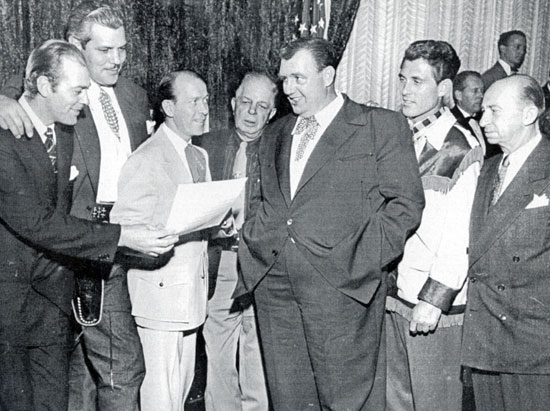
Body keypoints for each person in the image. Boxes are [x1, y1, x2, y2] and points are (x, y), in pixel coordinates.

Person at [235, 37, 425, 411]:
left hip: (341, 290)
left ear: (328, 75)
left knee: (345, 400)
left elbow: (406, 205)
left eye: (298, 78)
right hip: (274, 290)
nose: (288, 89)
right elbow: (261, 200)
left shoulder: (378, 125)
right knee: (289, 401)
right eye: (284, 79)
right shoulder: (274, 133)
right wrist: (256, 243)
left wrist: (360, 260)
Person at [0, 39, 176, 411]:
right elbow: (37, 221)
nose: (85, 99)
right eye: (78, 90)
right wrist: (123, 236)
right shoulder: (4, 140)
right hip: (8, 307)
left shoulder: (61, 134)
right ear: (45, 86)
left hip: (50, 303)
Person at [385, 40, 483, 411]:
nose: (406, 90)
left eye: (416, 81)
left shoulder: (458, 147)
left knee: (433, 402)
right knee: (396, 399)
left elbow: (461, 234)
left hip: (430, 304)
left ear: (443, 89)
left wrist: (434, 299)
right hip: (394, 292)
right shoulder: (398, 133)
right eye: (402, 79)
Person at [110, 70, 210, 411]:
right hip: (159, 296)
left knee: (180, 394)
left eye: (206, 100)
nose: (203, 109)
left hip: (192, 296)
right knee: (158, 399)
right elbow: (123, 228)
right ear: (168, 106)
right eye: (194, 101)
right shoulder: (145, 159)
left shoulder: (200, 156)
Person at [462, 74, 550, 411]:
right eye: (482, 111)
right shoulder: (488, 169)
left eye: (494, 111)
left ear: (529, 115)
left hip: (534, 347)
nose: (483, 121)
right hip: (485, 338)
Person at [196, 72, 276, 411]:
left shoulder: (280, 149)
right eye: (245, 103)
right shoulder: (205, 145)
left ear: (272, 113)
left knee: (258, 354)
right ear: (232, 104)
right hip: (219, 264)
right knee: (216, 352)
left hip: (261, 266)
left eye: (262, 106)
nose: (252, 113)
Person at [451, 70, 494, 156]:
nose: (481, 95)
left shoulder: (488, 118)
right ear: (458, 95)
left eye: (482, 90)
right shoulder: (450, 121)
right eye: (475, 91)